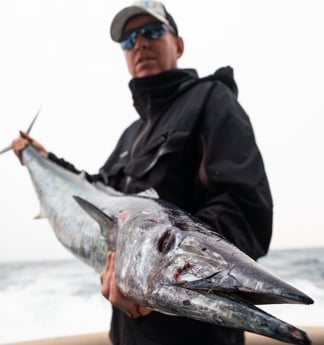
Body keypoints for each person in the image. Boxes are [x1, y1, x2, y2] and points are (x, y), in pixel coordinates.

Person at [12, 1, 273, 344]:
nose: (140, 43)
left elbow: (244, 210)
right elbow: (95, 192)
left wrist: (152, 266)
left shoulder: (212, 100)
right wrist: (43, 158)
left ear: (178, 44)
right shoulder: (130, 135)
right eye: (128, 39)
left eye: (152, 31)